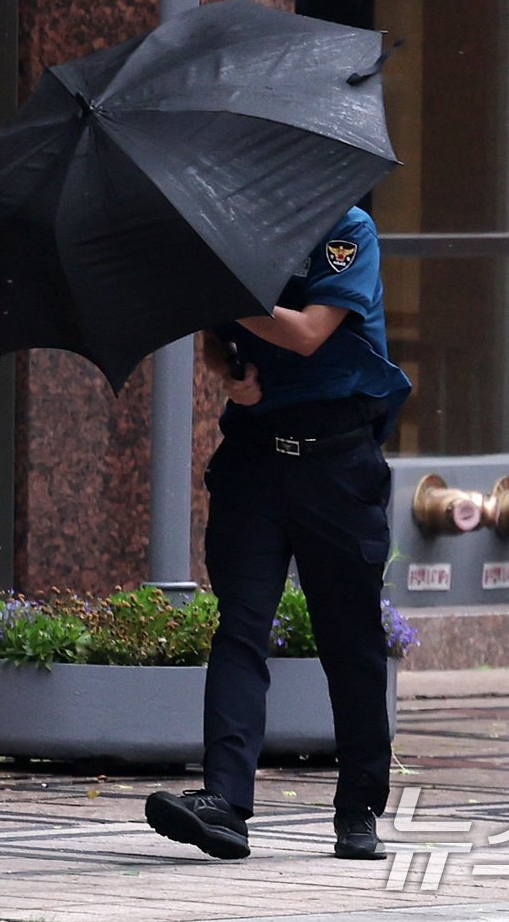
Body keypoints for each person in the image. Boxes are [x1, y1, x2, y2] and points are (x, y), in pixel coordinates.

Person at [144, 205, 411, 861]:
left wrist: (220, 292)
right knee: (239, 628)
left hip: (337, 465)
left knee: (351, 638)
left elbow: (310, 332)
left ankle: (358, 809)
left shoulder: (346, 229)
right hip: (254, 462)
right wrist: (227, 373)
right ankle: (225, 804)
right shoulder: (232, 230)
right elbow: (217, 341)